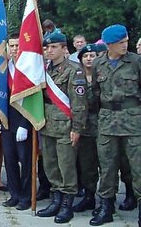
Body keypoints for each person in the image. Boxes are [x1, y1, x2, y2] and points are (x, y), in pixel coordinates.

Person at [89, 25, 141, 226]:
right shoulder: (99, 64)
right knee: (108, 166)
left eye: (126, 41)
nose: (124, 45)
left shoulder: (135, 62)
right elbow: (94, 91)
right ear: (109, 45)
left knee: (137, 167)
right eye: (120, 43)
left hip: (133, 121)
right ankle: (106, 207)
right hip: (107, 120)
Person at [36, 31, 87, 224]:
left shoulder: (75, 70)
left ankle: (67, 204)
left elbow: (79, 102)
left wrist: (77, 128)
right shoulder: (44, 69)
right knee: (50, 165)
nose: (49, 50)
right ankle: (56, 199)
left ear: (65, 49)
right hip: (47, 124)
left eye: (54, 47)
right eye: (47, 47)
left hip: (66, 125)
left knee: (66, 166)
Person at [0, 33, 33, 210]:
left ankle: (26, 197)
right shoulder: (3, 69)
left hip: (23, 123)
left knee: (25, 161)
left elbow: (33, 101)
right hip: (6, 122)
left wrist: (25, 125)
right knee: (10, 161)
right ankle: (15, 194)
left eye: (17, 46)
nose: (14, 49)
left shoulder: (29, 69)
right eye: (11, 46)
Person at [72, 44, 100, 212]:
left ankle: (107, 200)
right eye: (86, 56)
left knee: (108, 164)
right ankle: (89, 196)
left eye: (92, 55)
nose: (89, 58)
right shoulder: (76, 76)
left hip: (104, 125)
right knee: (87, 165)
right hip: (84, 127)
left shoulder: (103, 76)